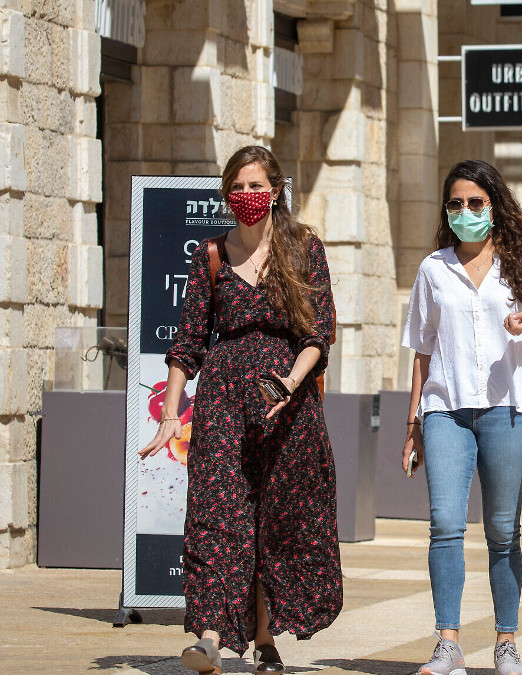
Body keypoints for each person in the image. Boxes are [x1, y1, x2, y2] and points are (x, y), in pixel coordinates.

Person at [138, 145, 341, 675]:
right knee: (217, 514)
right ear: (228, 193)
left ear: (276, 189)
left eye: (257, 186)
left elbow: (319, 332)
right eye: (238, 187)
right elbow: (187, 344)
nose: (248, 196)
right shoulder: (210, 254)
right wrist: (169, 415)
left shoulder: (303, 249)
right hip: (223, 401)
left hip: (285, 401)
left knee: (276, 520)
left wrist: (290, 384)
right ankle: (209, 638)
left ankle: (266, 639)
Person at [401, 159, 522, 675]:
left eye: (476, 203)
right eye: (456, 204)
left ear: (495, 208)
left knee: (502, 531)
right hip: (445, 409)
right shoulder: (434, 268)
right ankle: (448, 642)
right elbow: (423, 351)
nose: (466, 212)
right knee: (445, 525)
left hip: (507, 409)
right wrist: (413, 422)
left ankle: (506, 642)